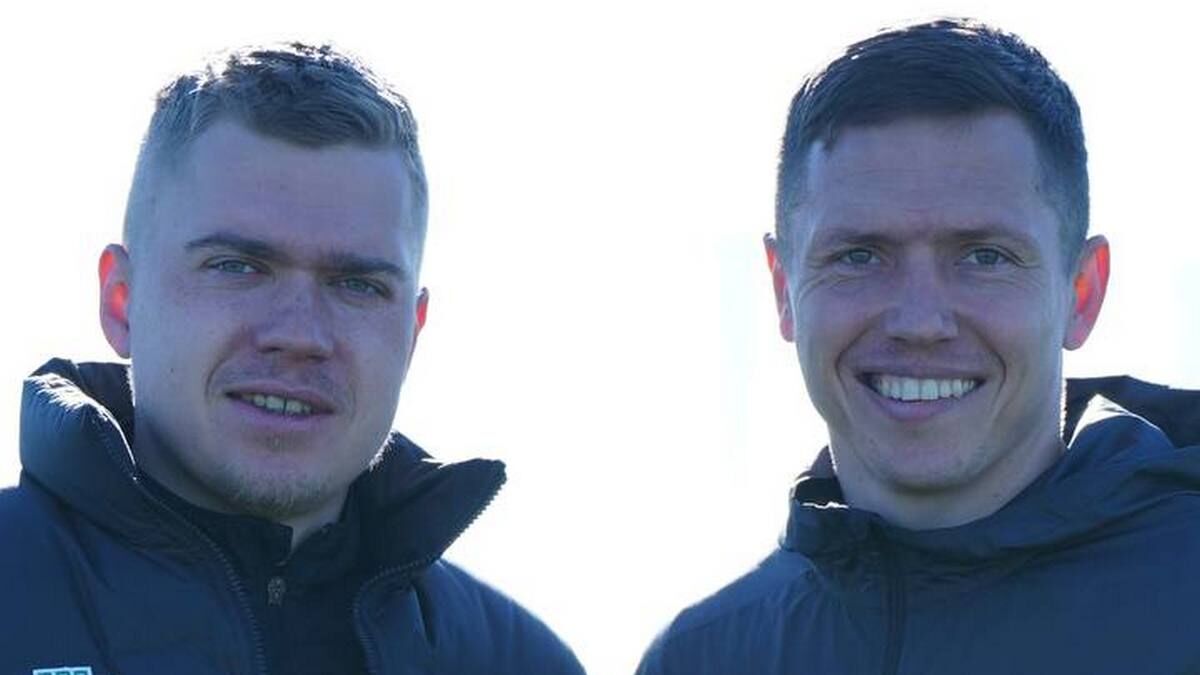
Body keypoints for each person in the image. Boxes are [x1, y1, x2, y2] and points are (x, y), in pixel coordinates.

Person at [637, 18, 1200, 675]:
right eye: (859, 256)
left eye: (984, 256)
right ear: (784, 289)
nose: (920, 321)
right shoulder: (706, 657)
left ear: (1082, 292)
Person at [1, 42, 584, 674]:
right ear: (121, 302)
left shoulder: (517, 661)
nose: (301, 334)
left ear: (412, 334)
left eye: (357, 284)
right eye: (237, 266)